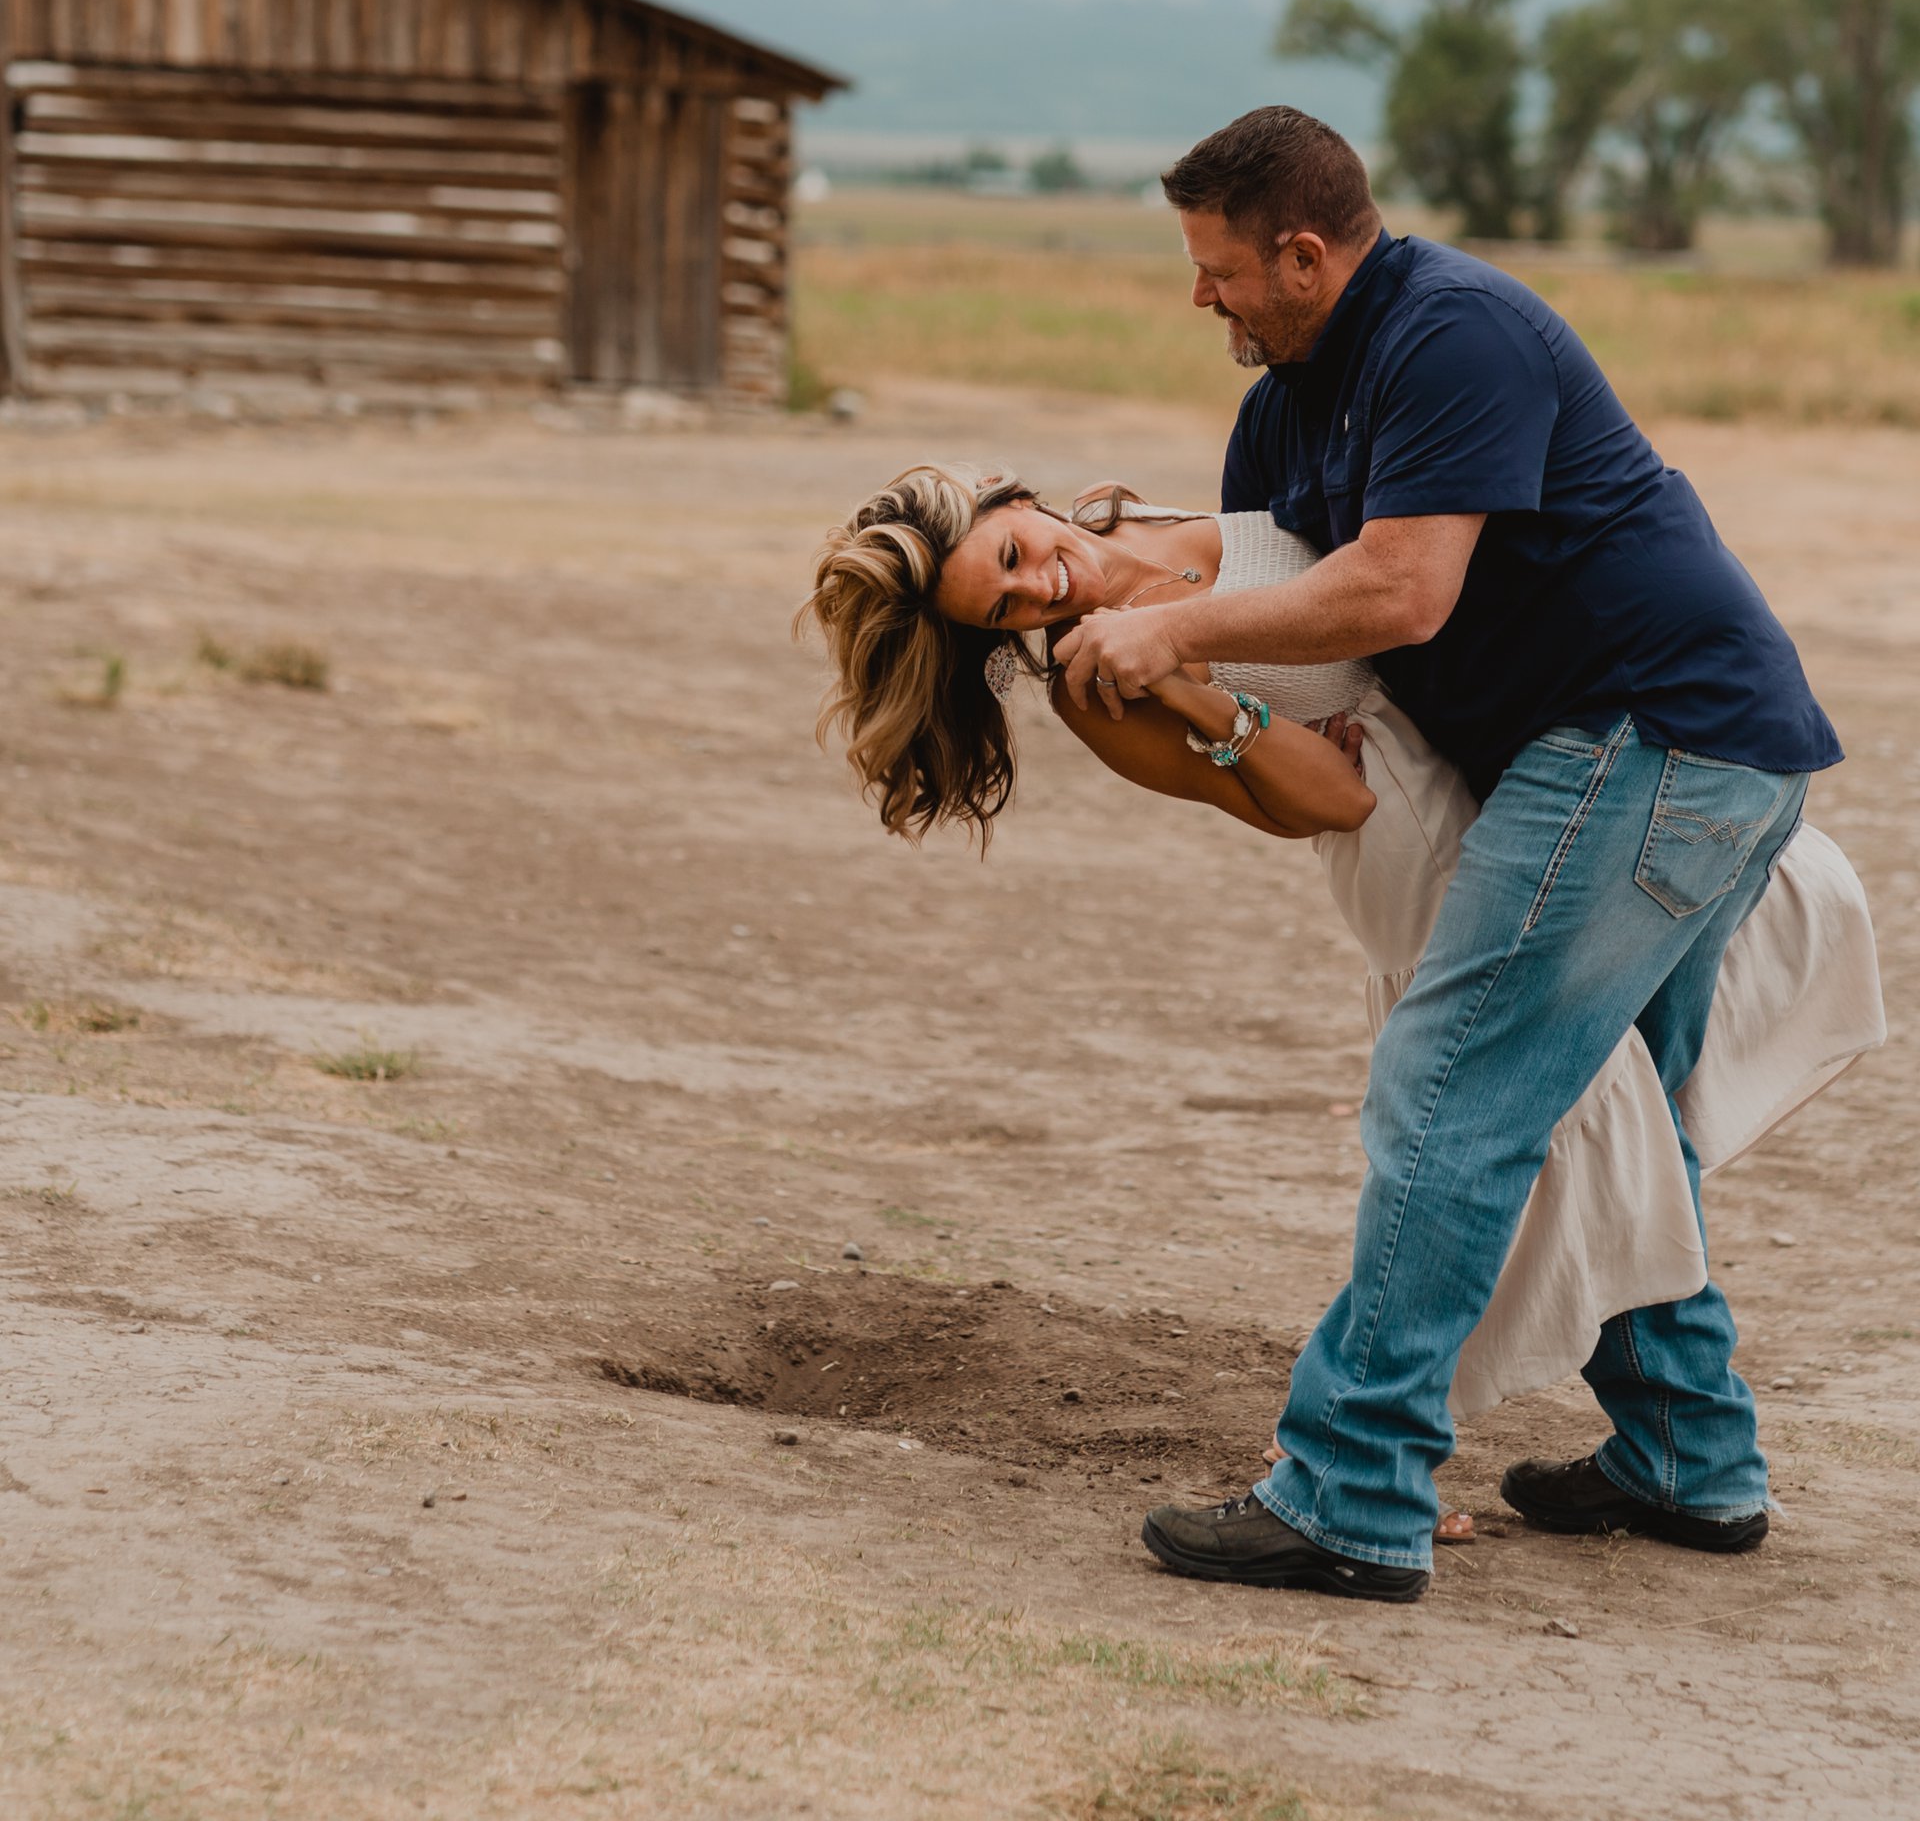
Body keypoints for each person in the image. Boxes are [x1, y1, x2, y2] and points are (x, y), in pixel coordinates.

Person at [803, 454, 1880, 1600]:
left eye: (1014, 555)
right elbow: (1329, 799)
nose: (1040, 589)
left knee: (1604, 1132)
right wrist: (1190, 685)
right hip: (1420, 844)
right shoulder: (1096, 692)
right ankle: (1391, 1471)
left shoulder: (1159, 512)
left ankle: (1689, 1457)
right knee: (1552, 1136)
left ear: (1012, 500)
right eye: (1005, 610)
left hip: (1527, 782)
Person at [1040, 103, 1851, 1599]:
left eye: (1218, 270)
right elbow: (1301, 591)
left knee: (1453, 1085)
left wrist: (1166, 626)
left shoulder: (1453, 332)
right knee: (1602, 1114)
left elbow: (1400, 592)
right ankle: (1692, 1456)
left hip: (1656, 742)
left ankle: (1351, 1489)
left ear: (1303, 252)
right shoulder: (1288, 399)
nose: (1198, 298)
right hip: (1661, 754)